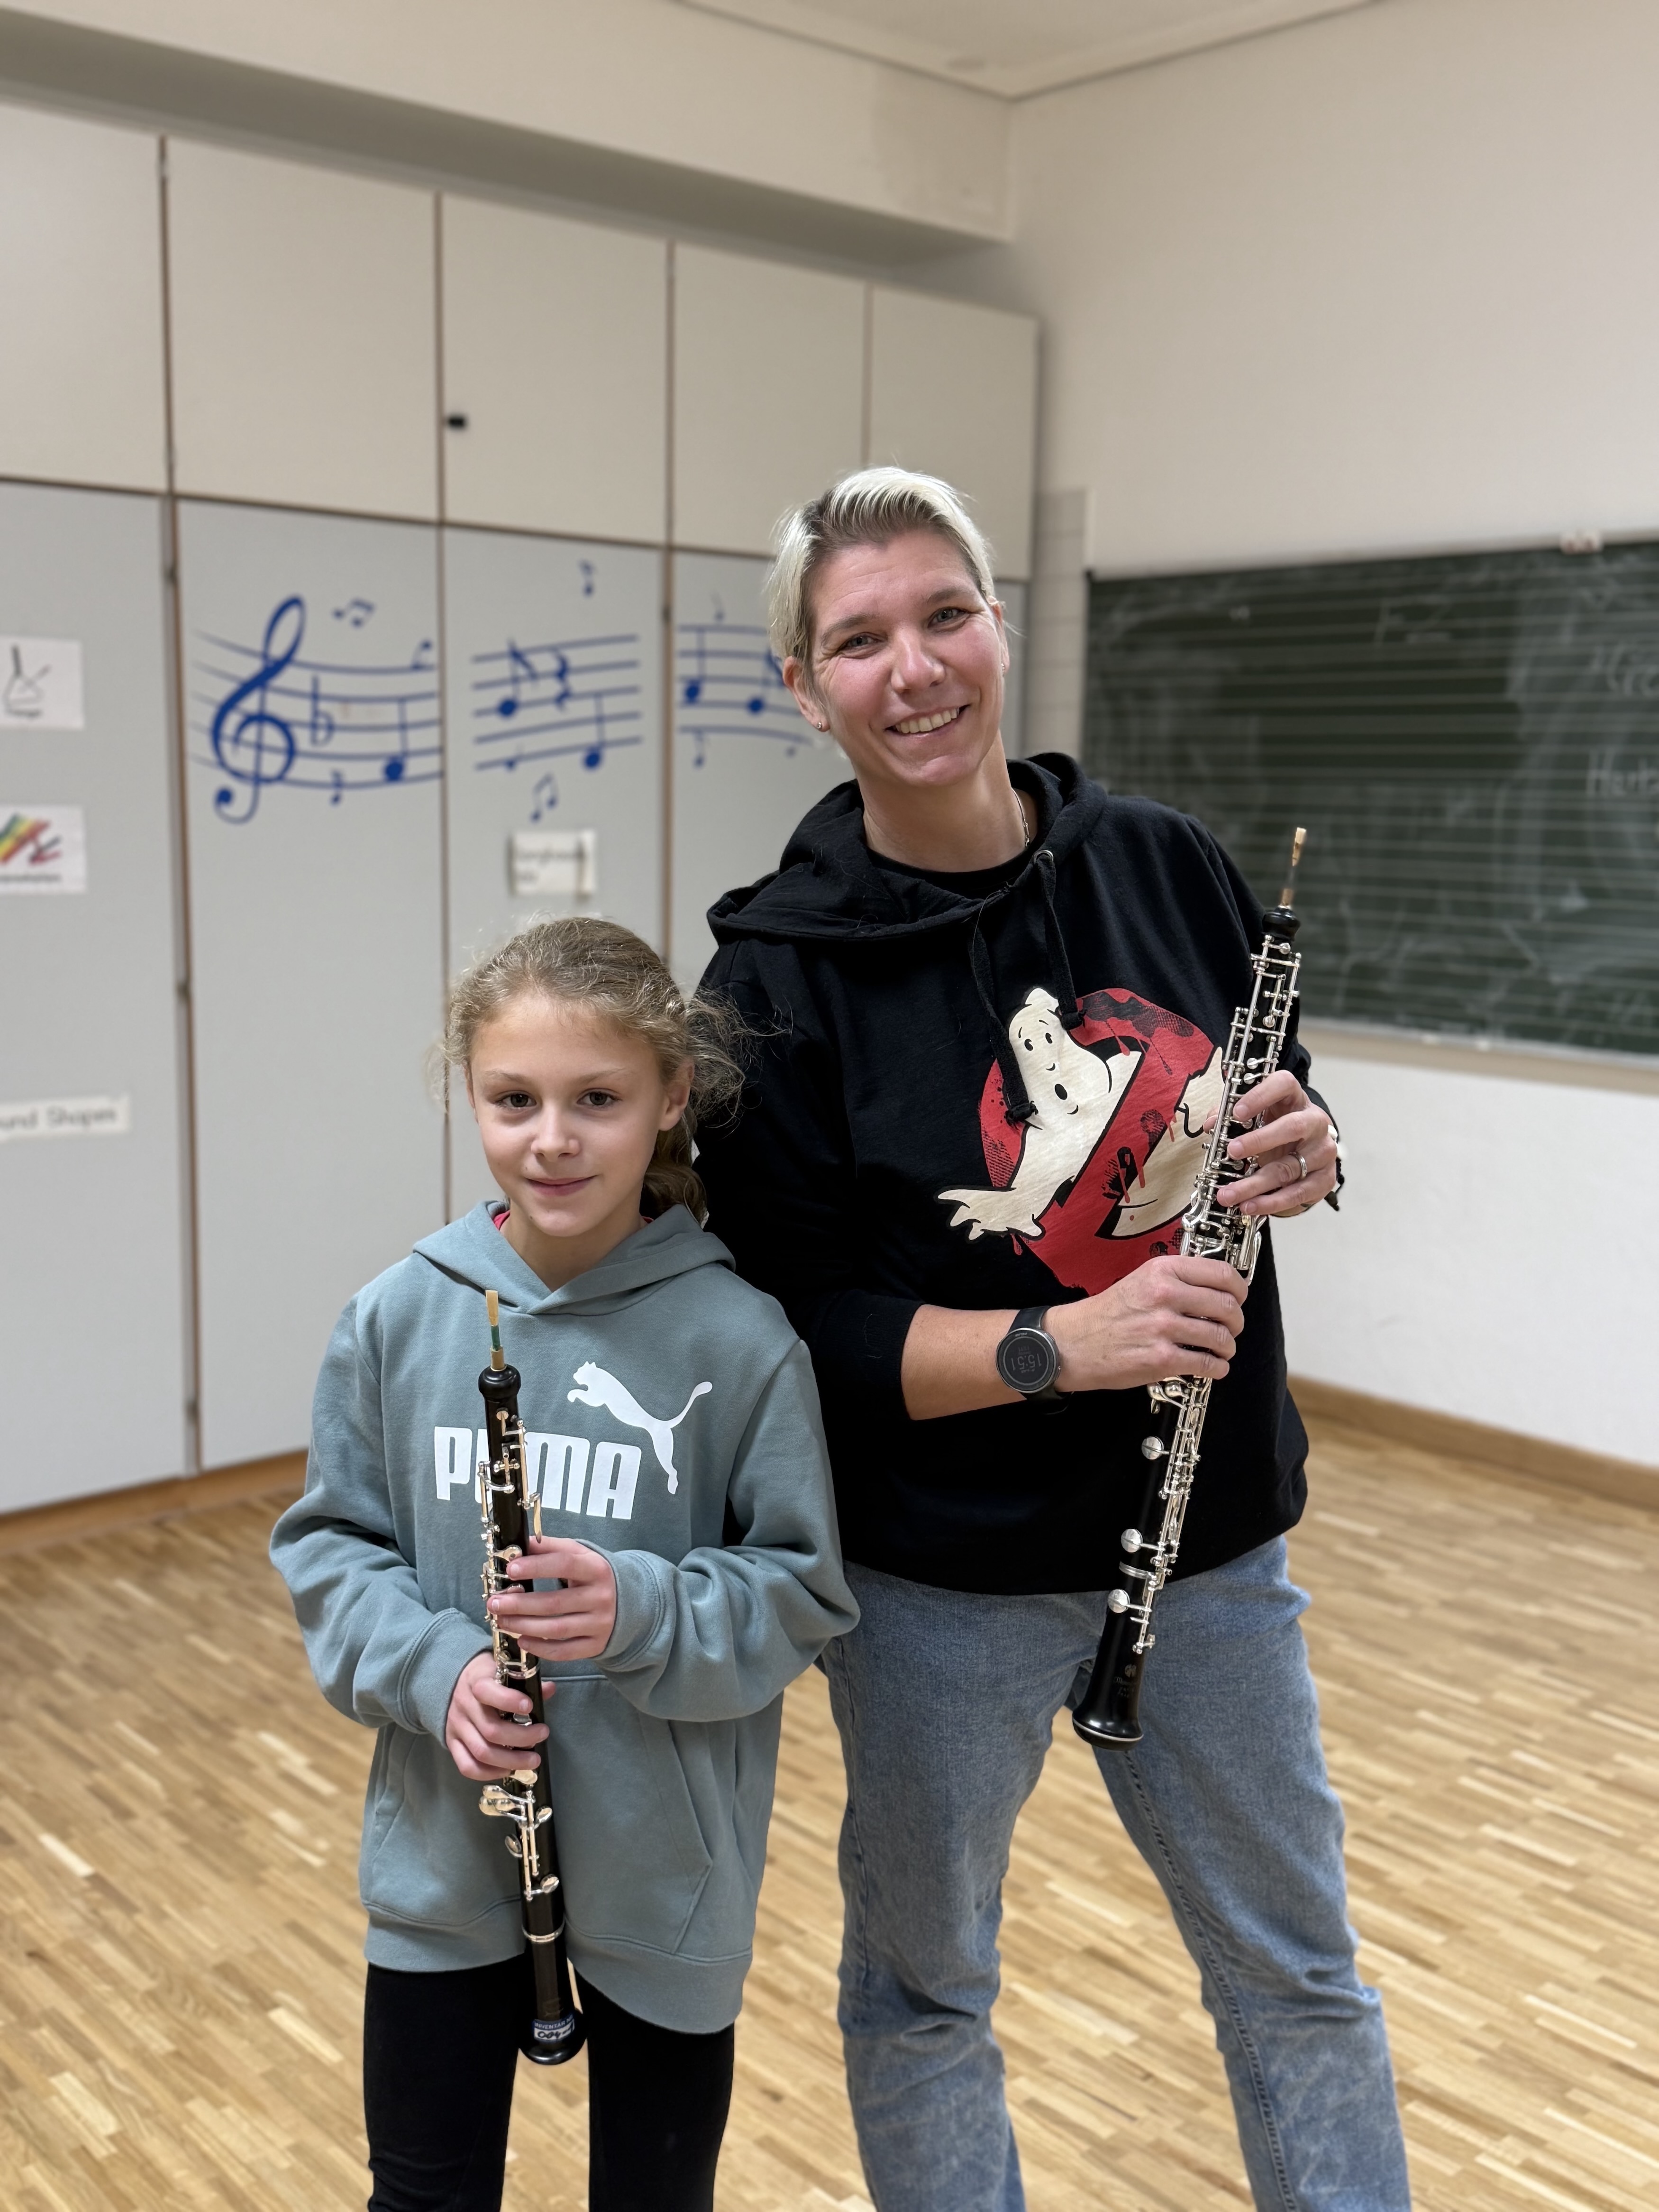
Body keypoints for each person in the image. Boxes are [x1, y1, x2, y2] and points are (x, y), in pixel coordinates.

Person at [693, 468, 1411, 2212]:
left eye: (947, 613)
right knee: (927, 1993)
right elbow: (802, 1324)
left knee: (1298, 1976)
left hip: (1211, 1547)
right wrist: (1058, 1344)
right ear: (804, 685)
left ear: (999, 624)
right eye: (858, 639)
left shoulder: (1160, 858)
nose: (915, 667)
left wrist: (1310, 1146)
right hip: (942, 1586)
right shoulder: (768, 976)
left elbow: (1264, 1105)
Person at [271, 917, 857, 2212]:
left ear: (669, 1099)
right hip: (446, 1858)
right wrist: (436, 1672)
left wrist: (640, 1607)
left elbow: (801, 1588)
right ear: (469, 1099)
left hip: (667, 1871)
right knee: (423, 2195)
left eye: (596, 1098)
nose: (553, 1137)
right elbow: (331, 1546)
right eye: (513, 1098)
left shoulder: (738, 1336)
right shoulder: (400, 1313)